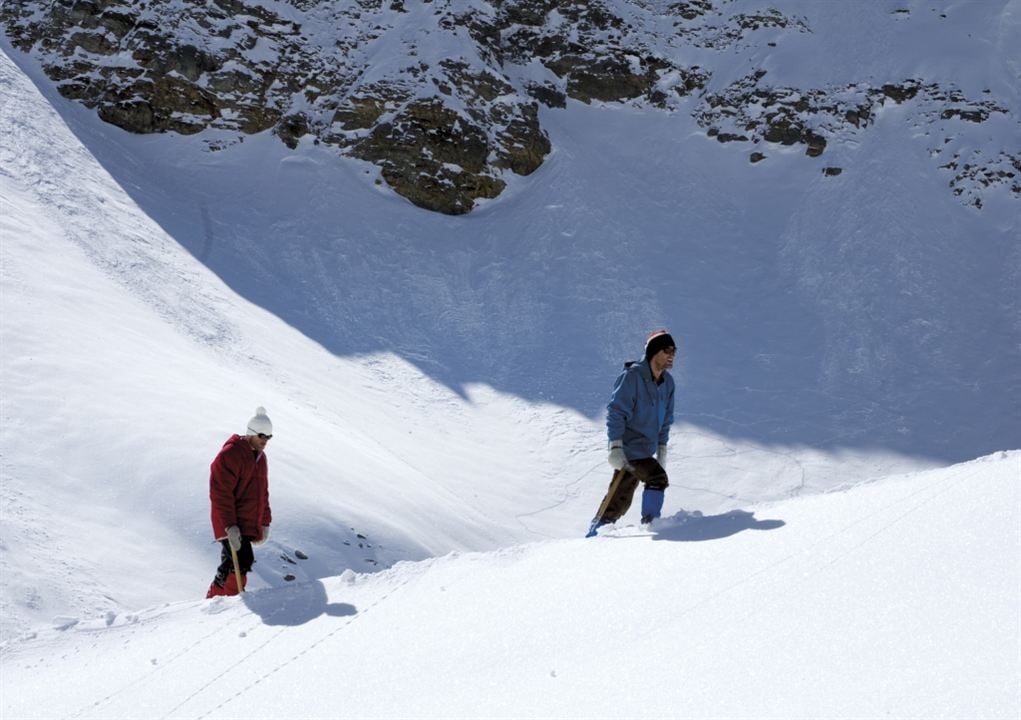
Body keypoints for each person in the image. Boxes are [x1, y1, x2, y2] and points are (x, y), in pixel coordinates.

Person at [586, 330, 676, 537]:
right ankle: (652, 524)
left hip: (646, 450)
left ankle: (597, 532)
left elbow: (666, 419)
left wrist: (662, 449)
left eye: (674, 351)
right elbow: (616, 412)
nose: (672, 355)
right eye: (667, 350)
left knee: (619, 497)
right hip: (628, 450)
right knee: (657, 477)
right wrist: (616, 447)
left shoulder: (668, 383)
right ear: (654, 352)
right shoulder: (632, 377)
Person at [205, 407, 274, 597]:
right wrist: (229, 526)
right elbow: (220, 493)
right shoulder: (231, 454)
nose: (265, 440)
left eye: (269, 436)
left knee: (231, 562)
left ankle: (214, 599)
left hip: (246, 522)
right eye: (262, 435)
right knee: (243, 560)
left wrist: (265, 522)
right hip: (230, 522)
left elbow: (262, 493)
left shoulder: (261, 459)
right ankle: (230, 599)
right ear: (251, 432)